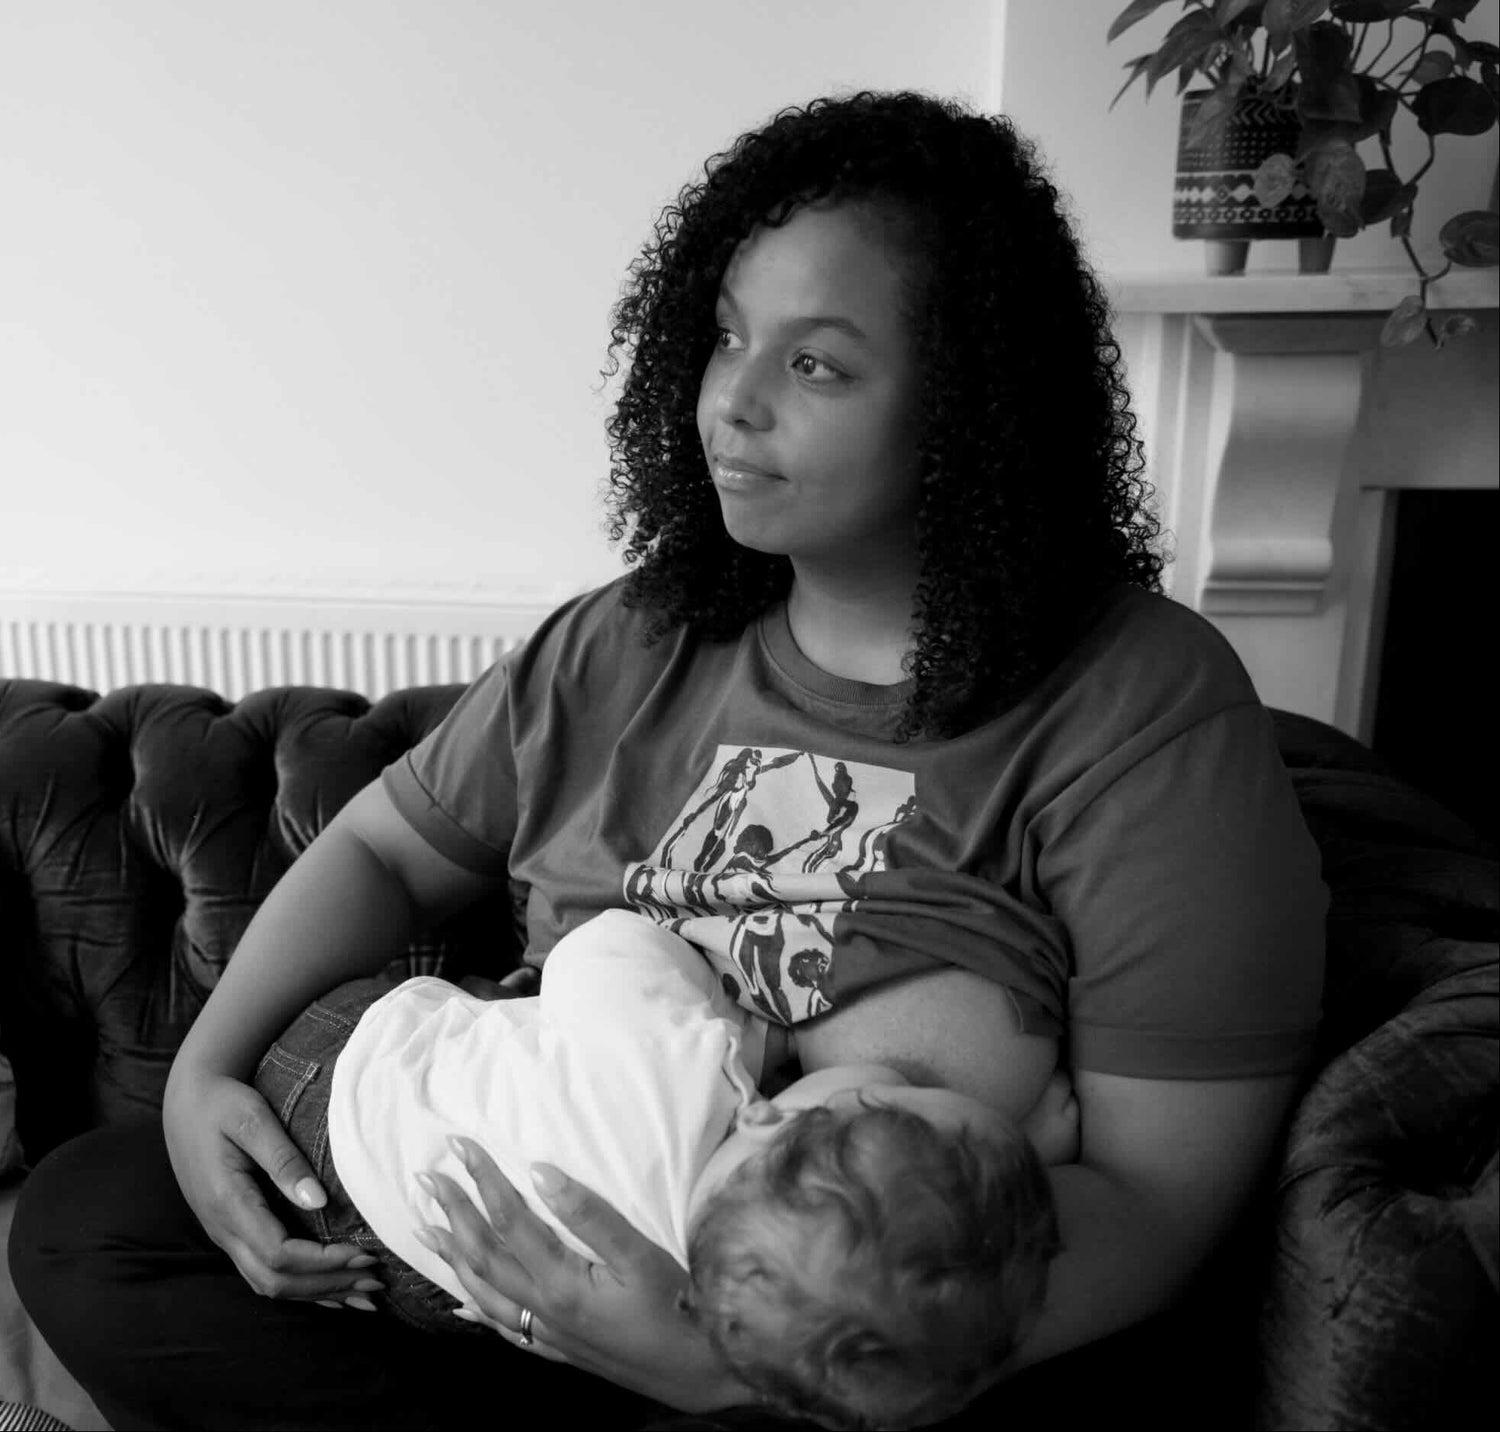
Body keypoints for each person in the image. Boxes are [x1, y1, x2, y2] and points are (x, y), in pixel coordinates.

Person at [10, 89, 1327, 1431]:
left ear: (972, 406)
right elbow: (380, 850)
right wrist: (206, 1075)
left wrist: (736, 1361)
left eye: (815, 365)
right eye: (727, 340)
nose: (733, 405)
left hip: (831, 1348)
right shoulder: (631, 637)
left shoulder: (1143, 706)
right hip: (491, 1257)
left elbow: (1162, 1216)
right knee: (82, 1223)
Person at [253, 906, 1075, 1428]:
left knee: (483, 1018)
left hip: (338, 1088)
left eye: (900, 1088)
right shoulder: (715, 1296)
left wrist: (726, 1020)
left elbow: (604, 947)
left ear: (769, 1111)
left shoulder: (684, 1073)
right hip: (430, 1273)